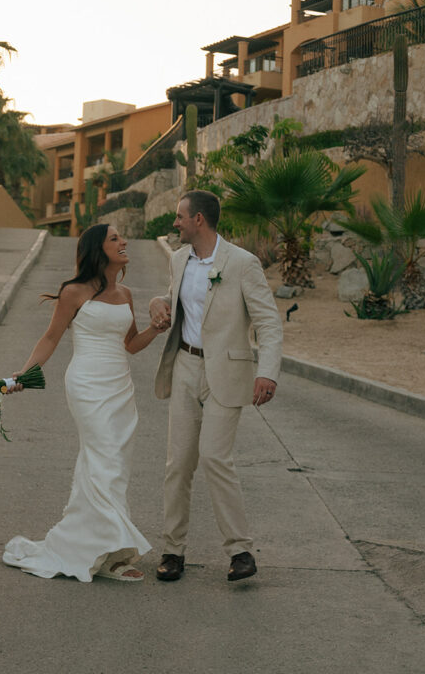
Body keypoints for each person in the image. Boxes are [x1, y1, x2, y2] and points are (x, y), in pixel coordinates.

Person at [3, 223, 167, 582]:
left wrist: (155, 329)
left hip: (120, 388)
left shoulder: (125, 294)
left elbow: (130, 344)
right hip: (87, 385)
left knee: (113, 466)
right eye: (115, 238)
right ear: (98, 249)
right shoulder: (73, 292)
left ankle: (105, 549)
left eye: (122, 237)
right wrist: (21, 376)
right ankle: (108, 556)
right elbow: (49, 339)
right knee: (104, 459)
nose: (124, 242)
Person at [149, 189, 282, 584]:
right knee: (178, 464)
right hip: (186, 365)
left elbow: (269, 323)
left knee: (214, 457)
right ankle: (173, 551)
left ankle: (240, 551)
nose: (175, 223)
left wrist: (268, 371)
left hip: (227, 373)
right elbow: (177, 300)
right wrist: (159, 301)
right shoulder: (178, 259)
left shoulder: (242, 263)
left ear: (199, 220)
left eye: (179, 217)